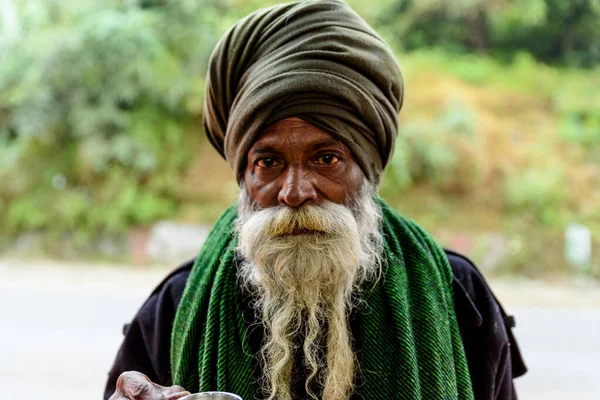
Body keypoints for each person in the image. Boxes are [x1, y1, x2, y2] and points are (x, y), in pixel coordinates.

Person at [105, 1, 526, 399]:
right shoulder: (179, 306)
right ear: (245, 176)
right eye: (268, 162)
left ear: (367, 170)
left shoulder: (454, 292)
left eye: (326, 158)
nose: (294, 192)